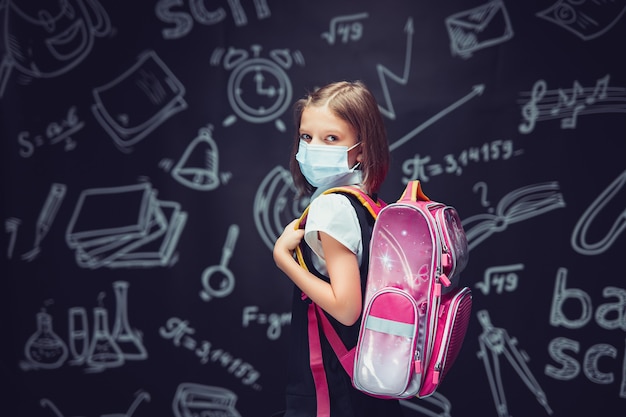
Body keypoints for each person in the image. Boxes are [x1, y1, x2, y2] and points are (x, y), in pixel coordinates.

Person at [273, 81, 403, 416]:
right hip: (366, 376)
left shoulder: (331, 209)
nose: (314, 147)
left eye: (331, 138)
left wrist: (284, 259)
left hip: (333, 387)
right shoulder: (367, 202)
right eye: (306, 137)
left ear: (361, 148)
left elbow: (346, 308)